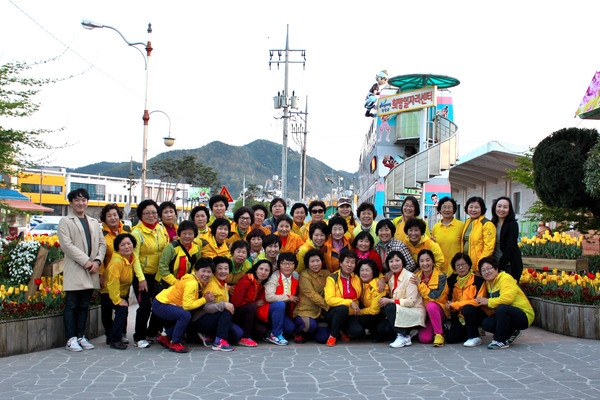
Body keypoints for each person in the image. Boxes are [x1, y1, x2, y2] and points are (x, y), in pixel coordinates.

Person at [58, 188, 107, 352]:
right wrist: (87, 262)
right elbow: (67, 245)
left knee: (84, 304)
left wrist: (98, 261)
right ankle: (70, 338)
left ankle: (80, 335)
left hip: (92, 269)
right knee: (72, 304)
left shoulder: (93, 222)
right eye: (77, 200)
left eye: (84, 200)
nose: (81, 203)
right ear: (71, 203)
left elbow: (102, 244)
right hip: (76, 269)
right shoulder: (66, 221)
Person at [152, 257, 216, 353]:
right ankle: (175, 342)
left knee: (189, 316)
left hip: (164, 302)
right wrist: (204, 299)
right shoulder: (192, 283)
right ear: (196, 270)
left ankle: (164, 336)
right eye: (203, 271)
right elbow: (187, 306)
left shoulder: (196, 279)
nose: (206, 274)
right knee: (185, 315)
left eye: (209, 272)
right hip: (162, 304)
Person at [130, 199, 169, 349]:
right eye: (147, 213)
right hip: (142, 275)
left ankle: (152, 332)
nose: (151, 215)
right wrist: (141, 279)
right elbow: (134, 258)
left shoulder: (160, 228)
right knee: (145, 306)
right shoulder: (137, 233)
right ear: (141, 215)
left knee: (159, 303)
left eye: (154, 212)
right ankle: (139, 337)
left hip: (158, 275)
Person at [475, 257, 535, 349]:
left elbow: (507, 299)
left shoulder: (505, 278)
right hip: (506, 315)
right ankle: (511, 332)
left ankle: (500, 340)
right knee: (487, 323)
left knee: (502, 308)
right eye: (483, 270)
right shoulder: (487, 283)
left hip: (523, 315)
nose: (486, 272)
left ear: (496, 268)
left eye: (489, 268)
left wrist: (488, 301)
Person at [378, 251, 425, 348]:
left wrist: (390, 301)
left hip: (414, 311)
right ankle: (410, 331)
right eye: (391, 261)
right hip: (402, 311)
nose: (394, 264)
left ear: (402, 262)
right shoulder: (392, 278)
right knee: (383, 329)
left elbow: (411, 302)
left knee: (390, 307)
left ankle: (404, 336)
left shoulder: (410, 277)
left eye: (397, 260)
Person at [99, 203, 131, 345]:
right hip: (108, 275)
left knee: (123, 304)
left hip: (125, 275)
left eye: (115, 215)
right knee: (107, 307)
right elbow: (98, 254)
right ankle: (110, 333)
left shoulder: (127, 230)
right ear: (104, 219)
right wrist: (100, 274)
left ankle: (120, 333)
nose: (113, 218)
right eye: (109, 215)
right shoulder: (102, 234)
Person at [195, 256, 238, 351]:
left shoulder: (223, 283)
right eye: (220, 268)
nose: (223, 271)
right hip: (202, 319)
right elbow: (207, 308)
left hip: (215, 318)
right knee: (226, 310)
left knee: (237, 334)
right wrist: (224, 305)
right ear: (214, 270)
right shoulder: (211, 284)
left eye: (226, 268)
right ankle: (219, 342)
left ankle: (210, 335)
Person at [444, 253, 487, 346]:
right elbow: (452, 301)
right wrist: (450, 306)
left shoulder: (478, 280)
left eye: (463, 264)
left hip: (476, 313)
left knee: (468, 308)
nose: (460, 268)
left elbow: (478, 301)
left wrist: (457, 304)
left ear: (469, 265)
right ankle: (469, 332)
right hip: (460, 316)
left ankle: (474, 336)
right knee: (450, 338)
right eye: (457, 265)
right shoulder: (453, 281)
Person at [103, 233, 136, 350]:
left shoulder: (131, 258)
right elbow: (113, 282)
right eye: (122, 245)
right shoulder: (117, 261)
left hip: (122, 291)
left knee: (121, 312)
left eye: (128, 244)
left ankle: (113, 337)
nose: (126, 247)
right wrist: (117, 300)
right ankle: (115, 339)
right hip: (109, 292)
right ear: (117, 247)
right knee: (120, 310)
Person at [324, 250, 363, 347]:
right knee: (342, 308)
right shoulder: (332, 278)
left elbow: (372, 273)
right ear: (341, 263)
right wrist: (349, 302)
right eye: (347, 262)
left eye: (352, 262)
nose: (350, 265)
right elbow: (329, 300)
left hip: (351, 313)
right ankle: (332, 335)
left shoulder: (356, 278)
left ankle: (342, 330)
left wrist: (382, 278)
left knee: (358, 332)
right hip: (334, 312)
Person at [230, 259, 273, 346]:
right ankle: (246, 337)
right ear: (256, 269)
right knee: (251, 307)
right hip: (236, 314)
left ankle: (243, 334)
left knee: (262, 331)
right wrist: (255, 304)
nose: (263, 272)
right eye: (261, 269)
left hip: (250, 317)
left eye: (266, 270)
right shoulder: (246, 281)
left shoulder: (262, 285)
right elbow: (235, 303)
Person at [411, 250, 449, 347]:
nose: (425, 264)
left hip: (439, 310)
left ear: (433, 261)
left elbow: (434, 296)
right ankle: (441, 328)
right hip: (424, 313)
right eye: (422, 261)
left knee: (431, 306)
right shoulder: (416, 276)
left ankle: (439, 334)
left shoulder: (441, 276)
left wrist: (420, 284)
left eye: (428, 260)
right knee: (425, 339)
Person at [292, 249, 331, 344]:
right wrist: (328, 305)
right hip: (305, 310)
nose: (316, 264)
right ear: (307, 263)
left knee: (323, 338)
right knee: (309, 326)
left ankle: (309, 334)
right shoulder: (304, 276)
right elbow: (311, 294)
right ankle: (298, 332)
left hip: (320, 313)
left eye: (318, 261)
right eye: (312, 262)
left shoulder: (327, 273)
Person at [262, 252, 301, 345]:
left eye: (291, 263)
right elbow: (269, 297)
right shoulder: (274, 276)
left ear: (295, 265)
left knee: (290, 329)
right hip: (270, 308)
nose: (287, 266)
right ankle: (275, 334)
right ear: (279, 265)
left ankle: (269, 333)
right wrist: (287, 297)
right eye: (284, 263)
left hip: (285, 311)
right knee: (280, 304)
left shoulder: (296, 276)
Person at [156, 220, 201, 290]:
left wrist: (189, 280)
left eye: (190, 233)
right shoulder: (171, 247)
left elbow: (196, 267)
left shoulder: (196, 248)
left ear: (195, 234)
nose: (187, 236)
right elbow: (163, 268)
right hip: (167, 284)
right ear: (179, 234)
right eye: (184, 233)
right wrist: (176, 283)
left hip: (185, 285)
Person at [492, 196, 523, 282]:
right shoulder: (492, 223)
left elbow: (510, 247)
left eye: (505, 207)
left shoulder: (512, 224)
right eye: (499, 206)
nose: (501, 209)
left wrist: (500, 266)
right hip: (493, 264)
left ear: (509, 209)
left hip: (508, 265)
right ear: (495, 207)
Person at [461, 196, 496, 273]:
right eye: (471, 207)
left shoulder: (487, 224)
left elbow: (489, 248)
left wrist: (480, 265)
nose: (473, 210)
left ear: (482, 209)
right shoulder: (467, 222)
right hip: (466, 263)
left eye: (476, 207)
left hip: (478, 265)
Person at [431, 197, 465, 277]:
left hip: (456, 268)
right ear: (440, 209)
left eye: (449, 207)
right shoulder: (436, 227)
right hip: (440, 268)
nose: (447, 210)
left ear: (454, 210)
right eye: (444, 207)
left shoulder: (461, 226)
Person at [356, 259, 386, 342]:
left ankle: (377, 333)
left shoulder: (378, 286)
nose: (364, 273)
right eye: (362, 270)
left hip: (379, 315)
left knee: (364, 319)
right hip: (368, 310)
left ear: (373, 272)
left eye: (367, 270)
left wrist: (359, 312)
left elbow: (374, 310)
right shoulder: (360, 282)